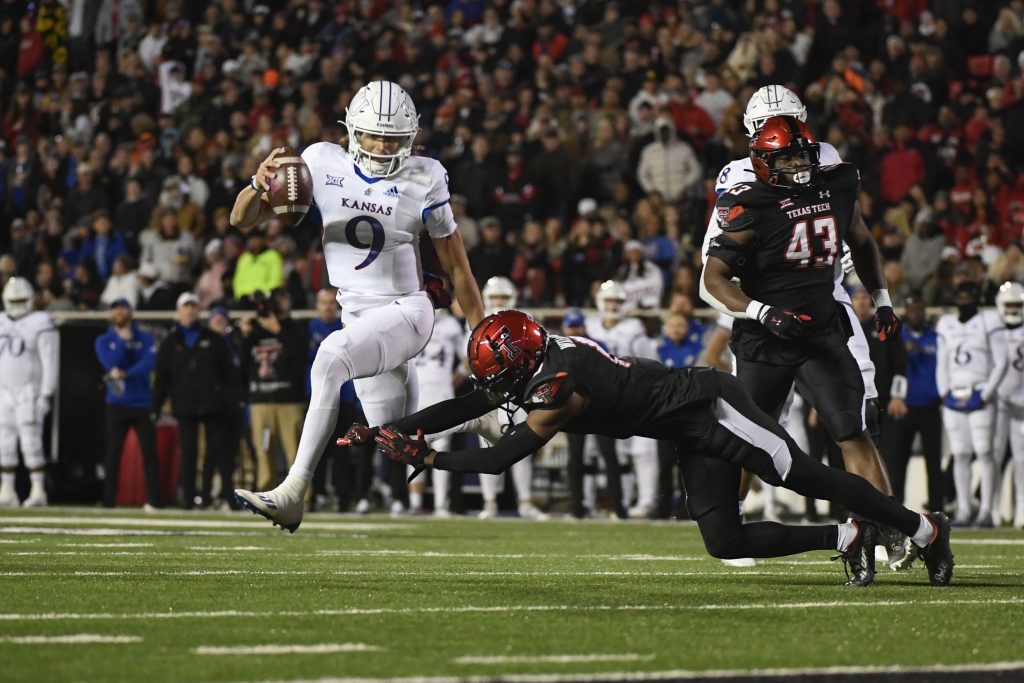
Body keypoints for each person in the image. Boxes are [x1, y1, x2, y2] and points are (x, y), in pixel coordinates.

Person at [354, 311, 954, 588]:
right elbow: (468, 404)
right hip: (681, 430)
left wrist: (429, 459)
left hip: (707, 408)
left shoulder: (561, 390)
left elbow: (498, 456)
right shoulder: (543, 356)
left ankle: (923, 528)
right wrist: (396, 427)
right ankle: (848, 538)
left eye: (502, 378)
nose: (497, 389)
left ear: (524, 362)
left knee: (803, 477)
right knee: (724, 541)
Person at [231, 80, 484, 532]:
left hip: (408, 310)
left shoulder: (425, 176)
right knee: (395, 434)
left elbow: (458, 270)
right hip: (358, 316)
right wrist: (257, 182)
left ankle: (293, 490)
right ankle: (476, 420)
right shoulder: (320, 161)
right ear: (351, 132)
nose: (383, 146)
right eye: (373, 135)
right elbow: (241, 221)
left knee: (329, 357)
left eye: (393, 137)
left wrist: (480, 333)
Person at [699, 114, 910, 569]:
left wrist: (882, 299)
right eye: (786, 156)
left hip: (820, 332)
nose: (797, 163)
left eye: (801, 153)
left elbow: (862, 240)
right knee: (746, 439)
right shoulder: (746, 201)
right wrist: (760, 310)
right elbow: (710, 278)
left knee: (853, 428)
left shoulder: (838, 184)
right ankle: (732, 522)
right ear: (761, 160)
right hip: (765, 338)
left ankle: (890, 527)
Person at [937, 281, 1009, 527]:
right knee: (960, 454)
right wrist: (944, 393)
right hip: (954, 395)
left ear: (978, 299)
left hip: (979, 392)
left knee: (986, 453)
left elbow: (1002, 362)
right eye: (961, 296)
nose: (964, 301)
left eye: (969, 297)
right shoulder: (946, 324)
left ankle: (987, 510)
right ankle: (965, 509)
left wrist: (985, 394)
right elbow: (942, 363)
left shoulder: (990, 322)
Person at [474, 276, 546, 519]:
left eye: (503, 298)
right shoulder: (477, 322)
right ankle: (490, 502)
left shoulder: (524, 323)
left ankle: (525, 502)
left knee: (522, 445)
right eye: (495, 298)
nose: (499, 302)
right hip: (488, 392)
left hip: (518, 390)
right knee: (487, 444)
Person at [586, 280, 660, 519]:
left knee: (640, 449)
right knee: (604, 453)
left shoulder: (634, 327)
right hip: (598, 398)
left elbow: (648, 362)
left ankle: (645, 500)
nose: (613, 306)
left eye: (617, 301)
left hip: (630, 394)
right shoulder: (591, 326)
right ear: (600, 302)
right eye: (609, 301)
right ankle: (608, 501)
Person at [152, 292, 232, 509]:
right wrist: (156, 406)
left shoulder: (213, 339)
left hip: (213, 405)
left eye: (193, 307)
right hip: (185, 405)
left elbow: (228, 374)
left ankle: (217, 497)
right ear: (178, 311)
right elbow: (162, 377)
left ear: (199, 310)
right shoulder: (170, 342)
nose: (189, 311)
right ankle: (188, 500)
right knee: (188, 454)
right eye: (185, 307)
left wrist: (228, 401)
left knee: (216, 453)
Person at [94, 298, 161, 509]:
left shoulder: (146, 338)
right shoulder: (104, 340)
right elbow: (109, 363)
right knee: (113, 452)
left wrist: (126, 373)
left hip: (142, 403)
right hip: (117, 403)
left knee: (149, 452)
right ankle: (108, 500)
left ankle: (153, 500)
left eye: (123, 308)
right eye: (116, 309)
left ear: (131, 312)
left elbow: (148, 364)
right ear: (111, 314)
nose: (120, 313)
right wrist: (123, 342)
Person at [881, 293, 943, 515]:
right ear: (906, 311)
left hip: (930, 406)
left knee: (934, 462)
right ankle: (897, 509)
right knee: (897, 461)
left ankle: (937, 509)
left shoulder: (936, 336)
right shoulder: (896, 337)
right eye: (912, 307)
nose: (916, 311)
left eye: (919, 307)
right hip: (902, 408)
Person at [0, 278, 58, 507]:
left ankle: (38, 490)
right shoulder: (1, 321)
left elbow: (50, 361)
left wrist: (46, 393)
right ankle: (7, 489)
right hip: (4, 390)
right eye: (12, 300)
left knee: (30, 442)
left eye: (20, 300)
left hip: (28, 390)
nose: (15, 304)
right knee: (4, 442)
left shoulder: (40, 321)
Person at [409, 302, 465, 516]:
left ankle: (441, 504)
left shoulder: (450, 324)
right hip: (418, 392)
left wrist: (453, 381)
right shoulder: (411, 321)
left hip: (440, 393)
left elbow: (466, 360)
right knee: (414, 447)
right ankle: (415, 502)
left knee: (440, 448)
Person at [993, 282, 1024, 529]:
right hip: (997, 402)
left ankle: (1021, 510)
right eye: (1010, 304)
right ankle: (991, 509)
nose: (1014, 310)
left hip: (1021, 403)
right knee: (992, 455)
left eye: (1018, 305)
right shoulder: (993, 329)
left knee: (1021, 458)